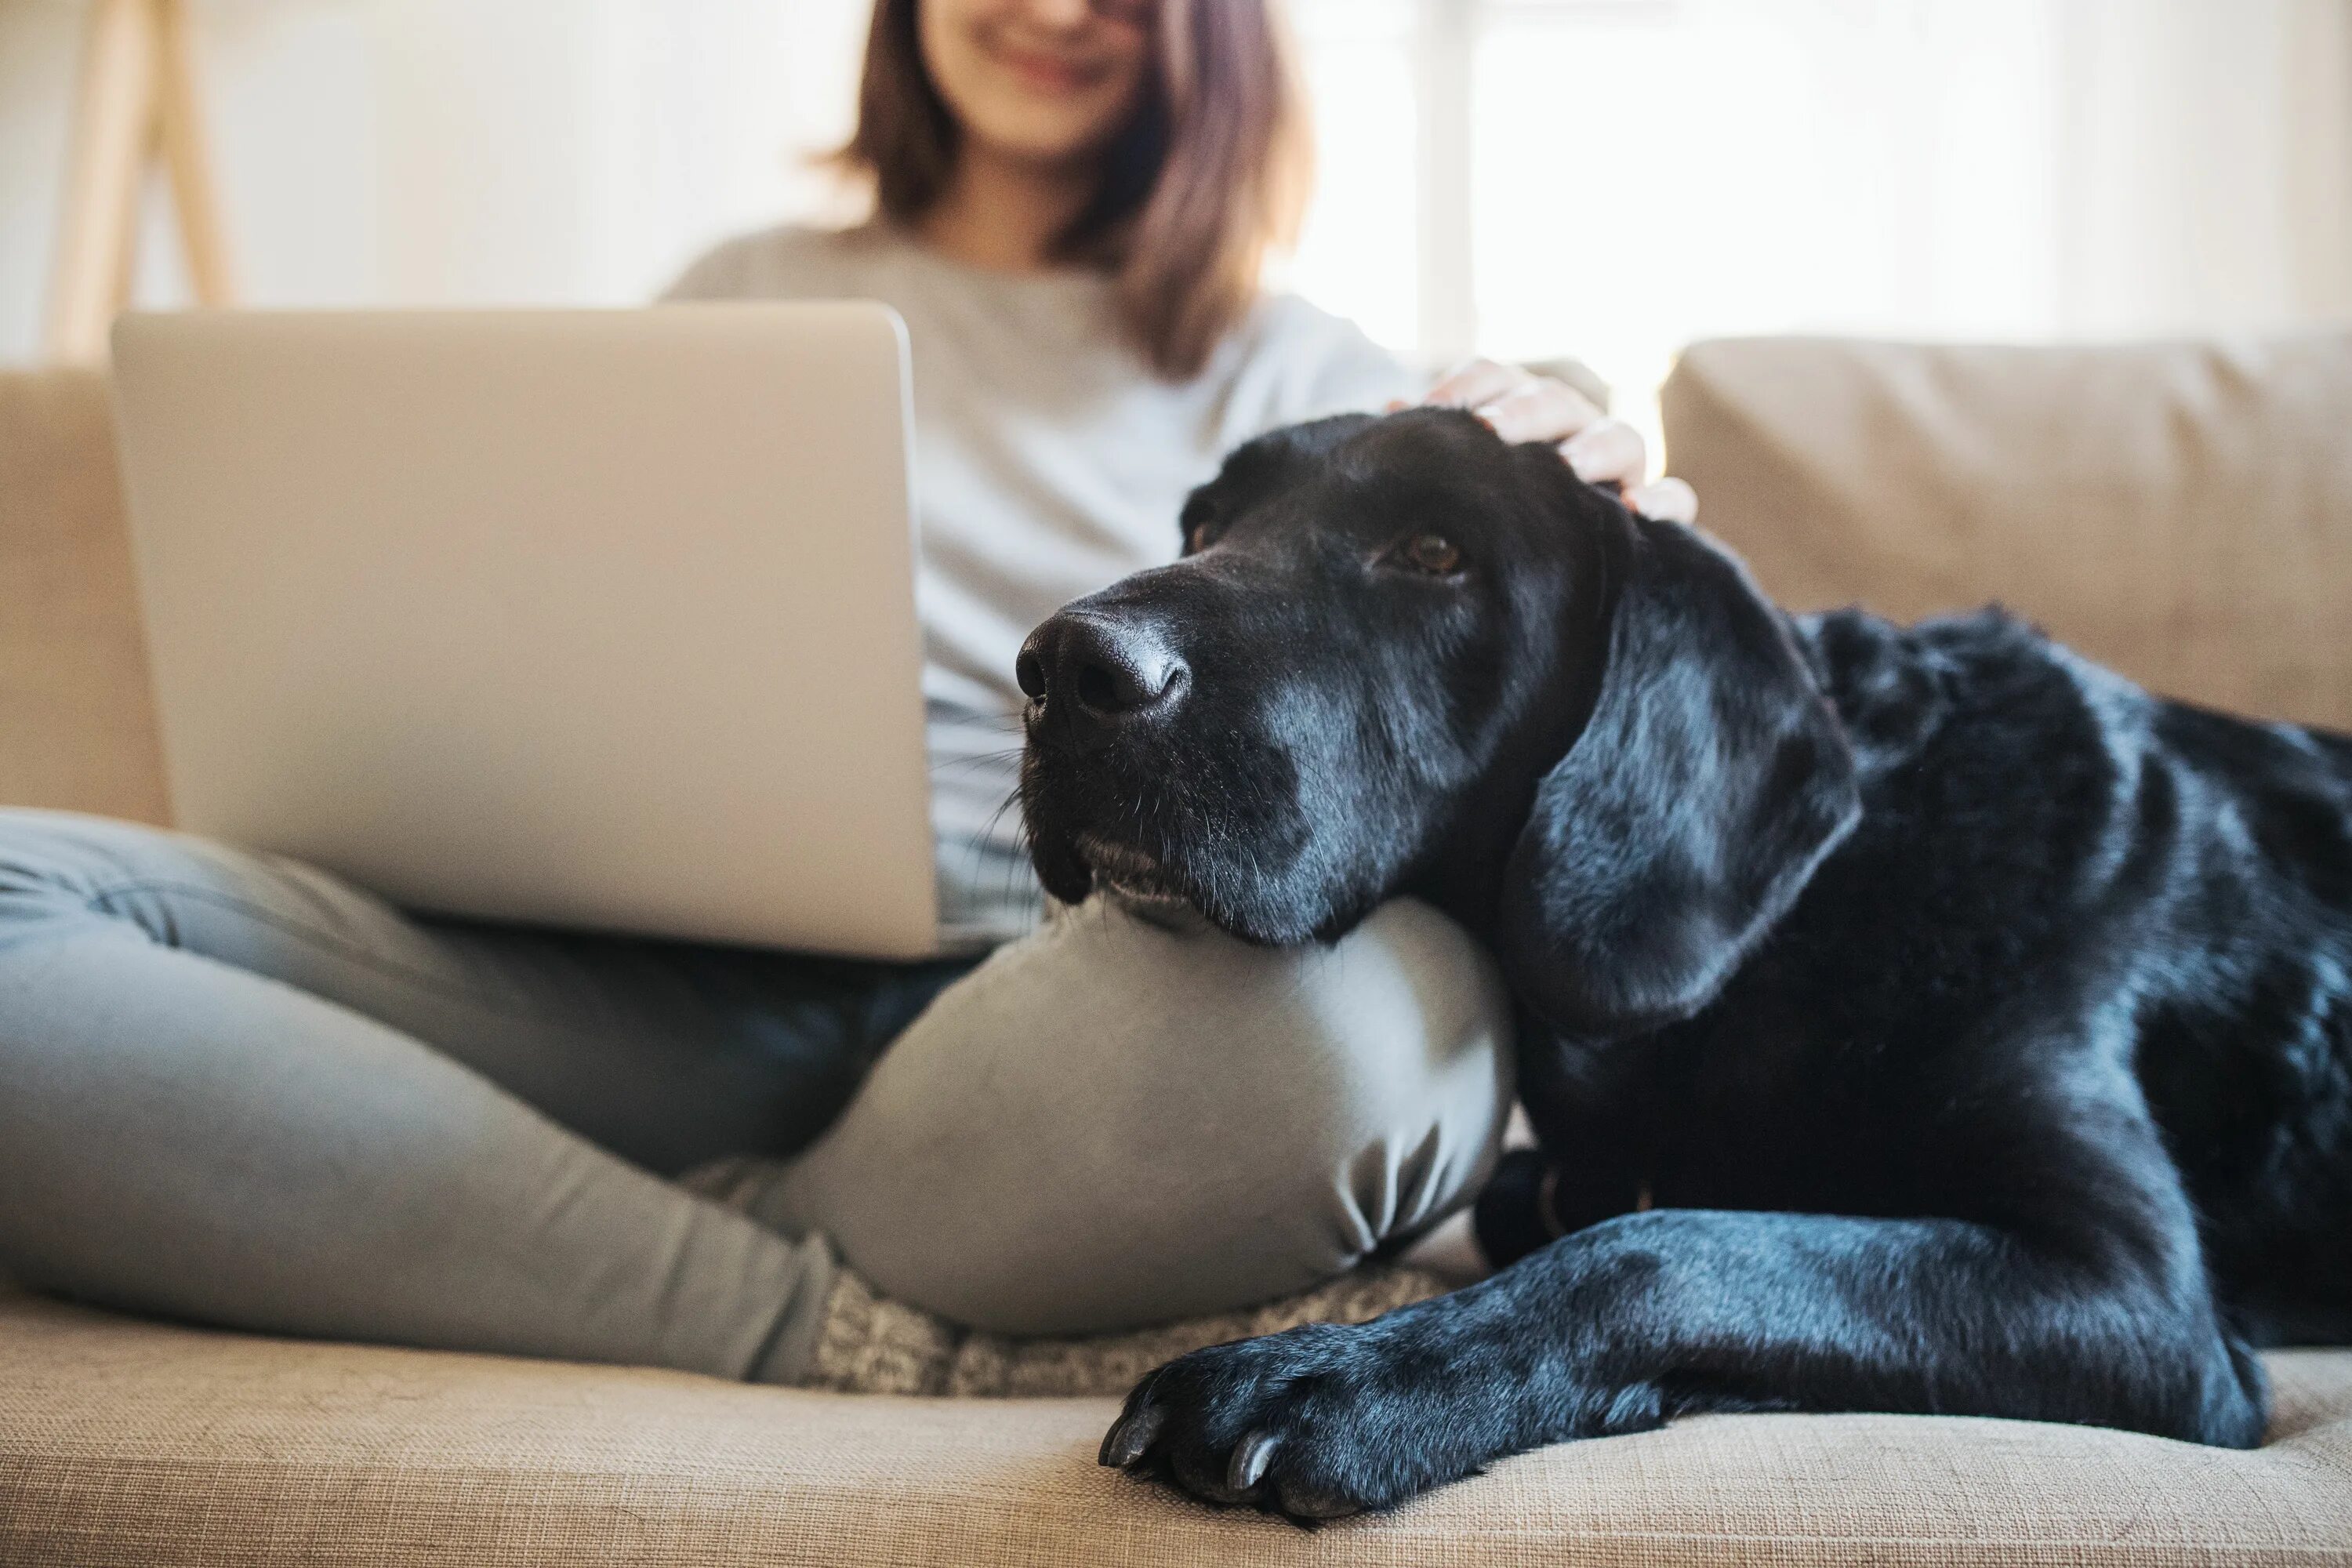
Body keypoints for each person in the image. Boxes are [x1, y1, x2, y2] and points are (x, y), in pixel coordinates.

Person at [0, 0, 1693, 1385]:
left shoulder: (1308, 376)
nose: (1050, 11)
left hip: (1057, 1008)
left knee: (1372, 1036)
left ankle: (541, 1214)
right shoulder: (741, 293)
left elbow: (1526, 654)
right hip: (647, 972)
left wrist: (1610, 502)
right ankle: (817, 1316)